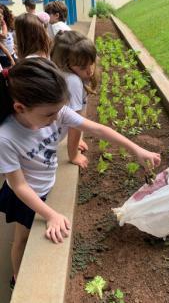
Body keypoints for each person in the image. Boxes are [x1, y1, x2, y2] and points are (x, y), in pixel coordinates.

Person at [0, 57, 160, 285]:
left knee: (24, 235)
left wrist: (136, 149)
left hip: (44, 184)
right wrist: (51, 215)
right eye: (50, 115)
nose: (58, 118)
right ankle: (17, 276)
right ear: (20, 107)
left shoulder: (54, 111)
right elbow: (19, 186)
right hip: (27, 197)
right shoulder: (6, 137)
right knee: (22, 239)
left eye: (59, 111)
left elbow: (98, 129)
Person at [51, 30, 99, 168]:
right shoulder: (73, 81)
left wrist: (77, 142)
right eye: (83, 67)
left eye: (92, 63)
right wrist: (74, 155)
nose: (90, 70)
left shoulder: (70, 74)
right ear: (65, 64)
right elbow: (75, 123)